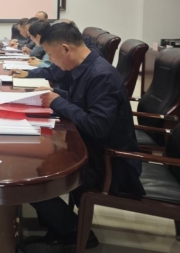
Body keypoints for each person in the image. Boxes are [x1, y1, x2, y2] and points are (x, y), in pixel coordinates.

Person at [25, 22, 144, 252]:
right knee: (35, 161)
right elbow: (82, 103)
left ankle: (75, 233)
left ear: (66, 49)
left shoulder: (101, 75)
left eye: (51, 55)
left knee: (32, 179)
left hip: (112, 163)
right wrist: (55, 95)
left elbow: (97, 126)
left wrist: (57, 102)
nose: (53, 62)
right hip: (93, 150)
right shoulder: (86, 68)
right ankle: (56, 227)